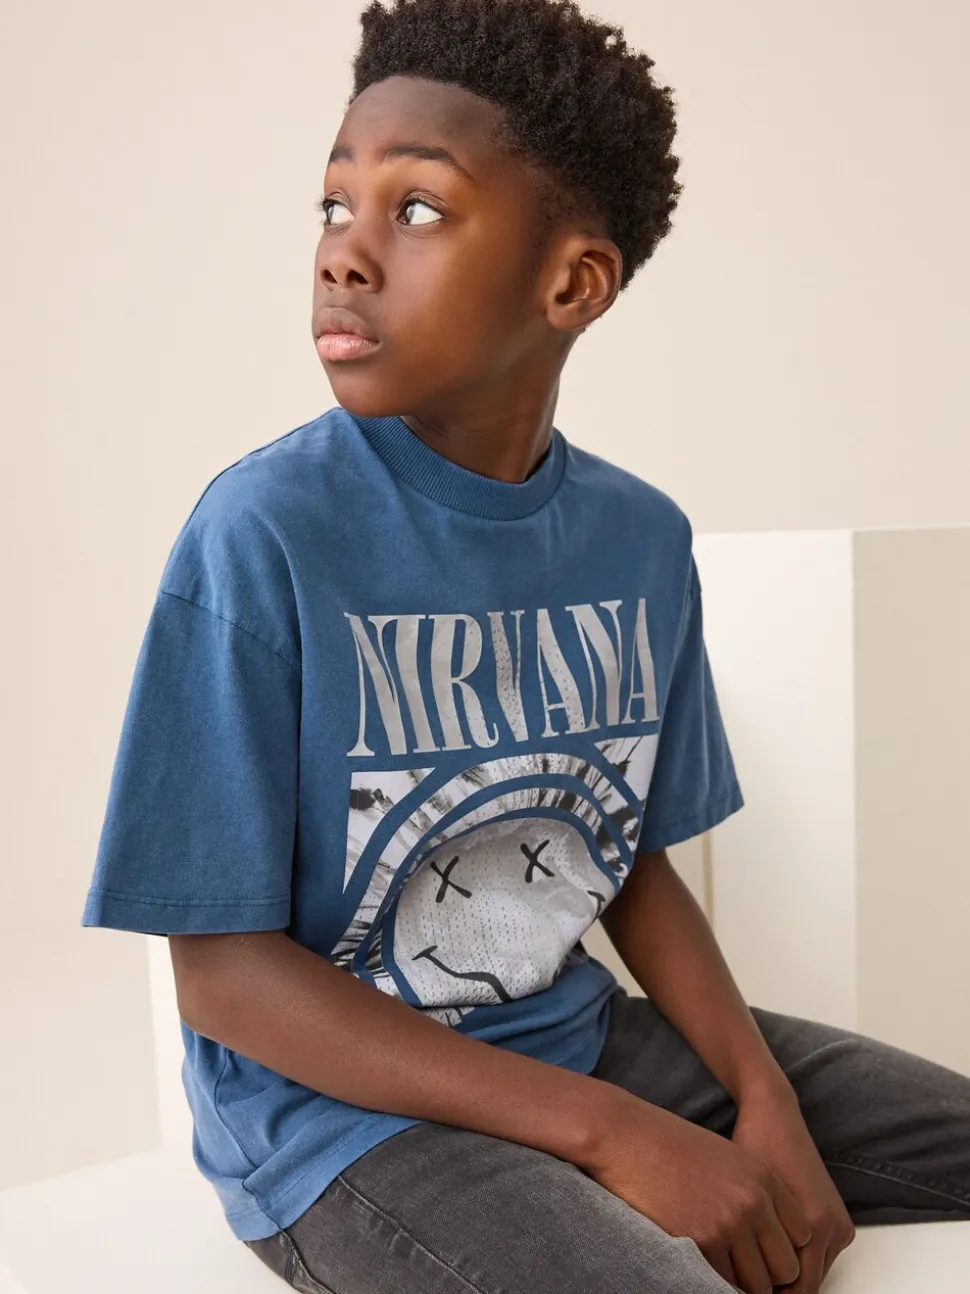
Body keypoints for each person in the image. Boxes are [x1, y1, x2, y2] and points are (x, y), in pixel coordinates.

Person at [80, 1, 970, 1290]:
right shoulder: (262, 535)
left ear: (572, 283)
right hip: (346, 1122)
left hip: (580, 1041)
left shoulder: (639, 538)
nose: (344, 255)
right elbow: (221, 977)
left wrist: (761, 1099)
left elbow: (633, 862)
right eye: (334, 205)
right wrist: (616, 1138)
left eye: (416, 209)